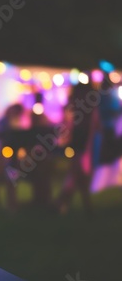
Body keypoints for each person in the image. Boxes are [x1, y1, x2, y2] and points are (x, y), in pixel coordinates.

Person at [54, 82, 101, 217]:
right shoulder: (85, 111)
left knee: (76, 174)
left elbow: (92, 127)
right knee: (78, 175)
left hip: (82, 142)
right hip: (80, 141)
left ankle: (62, 203)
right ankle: (82, 206)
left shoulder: (84, 113)